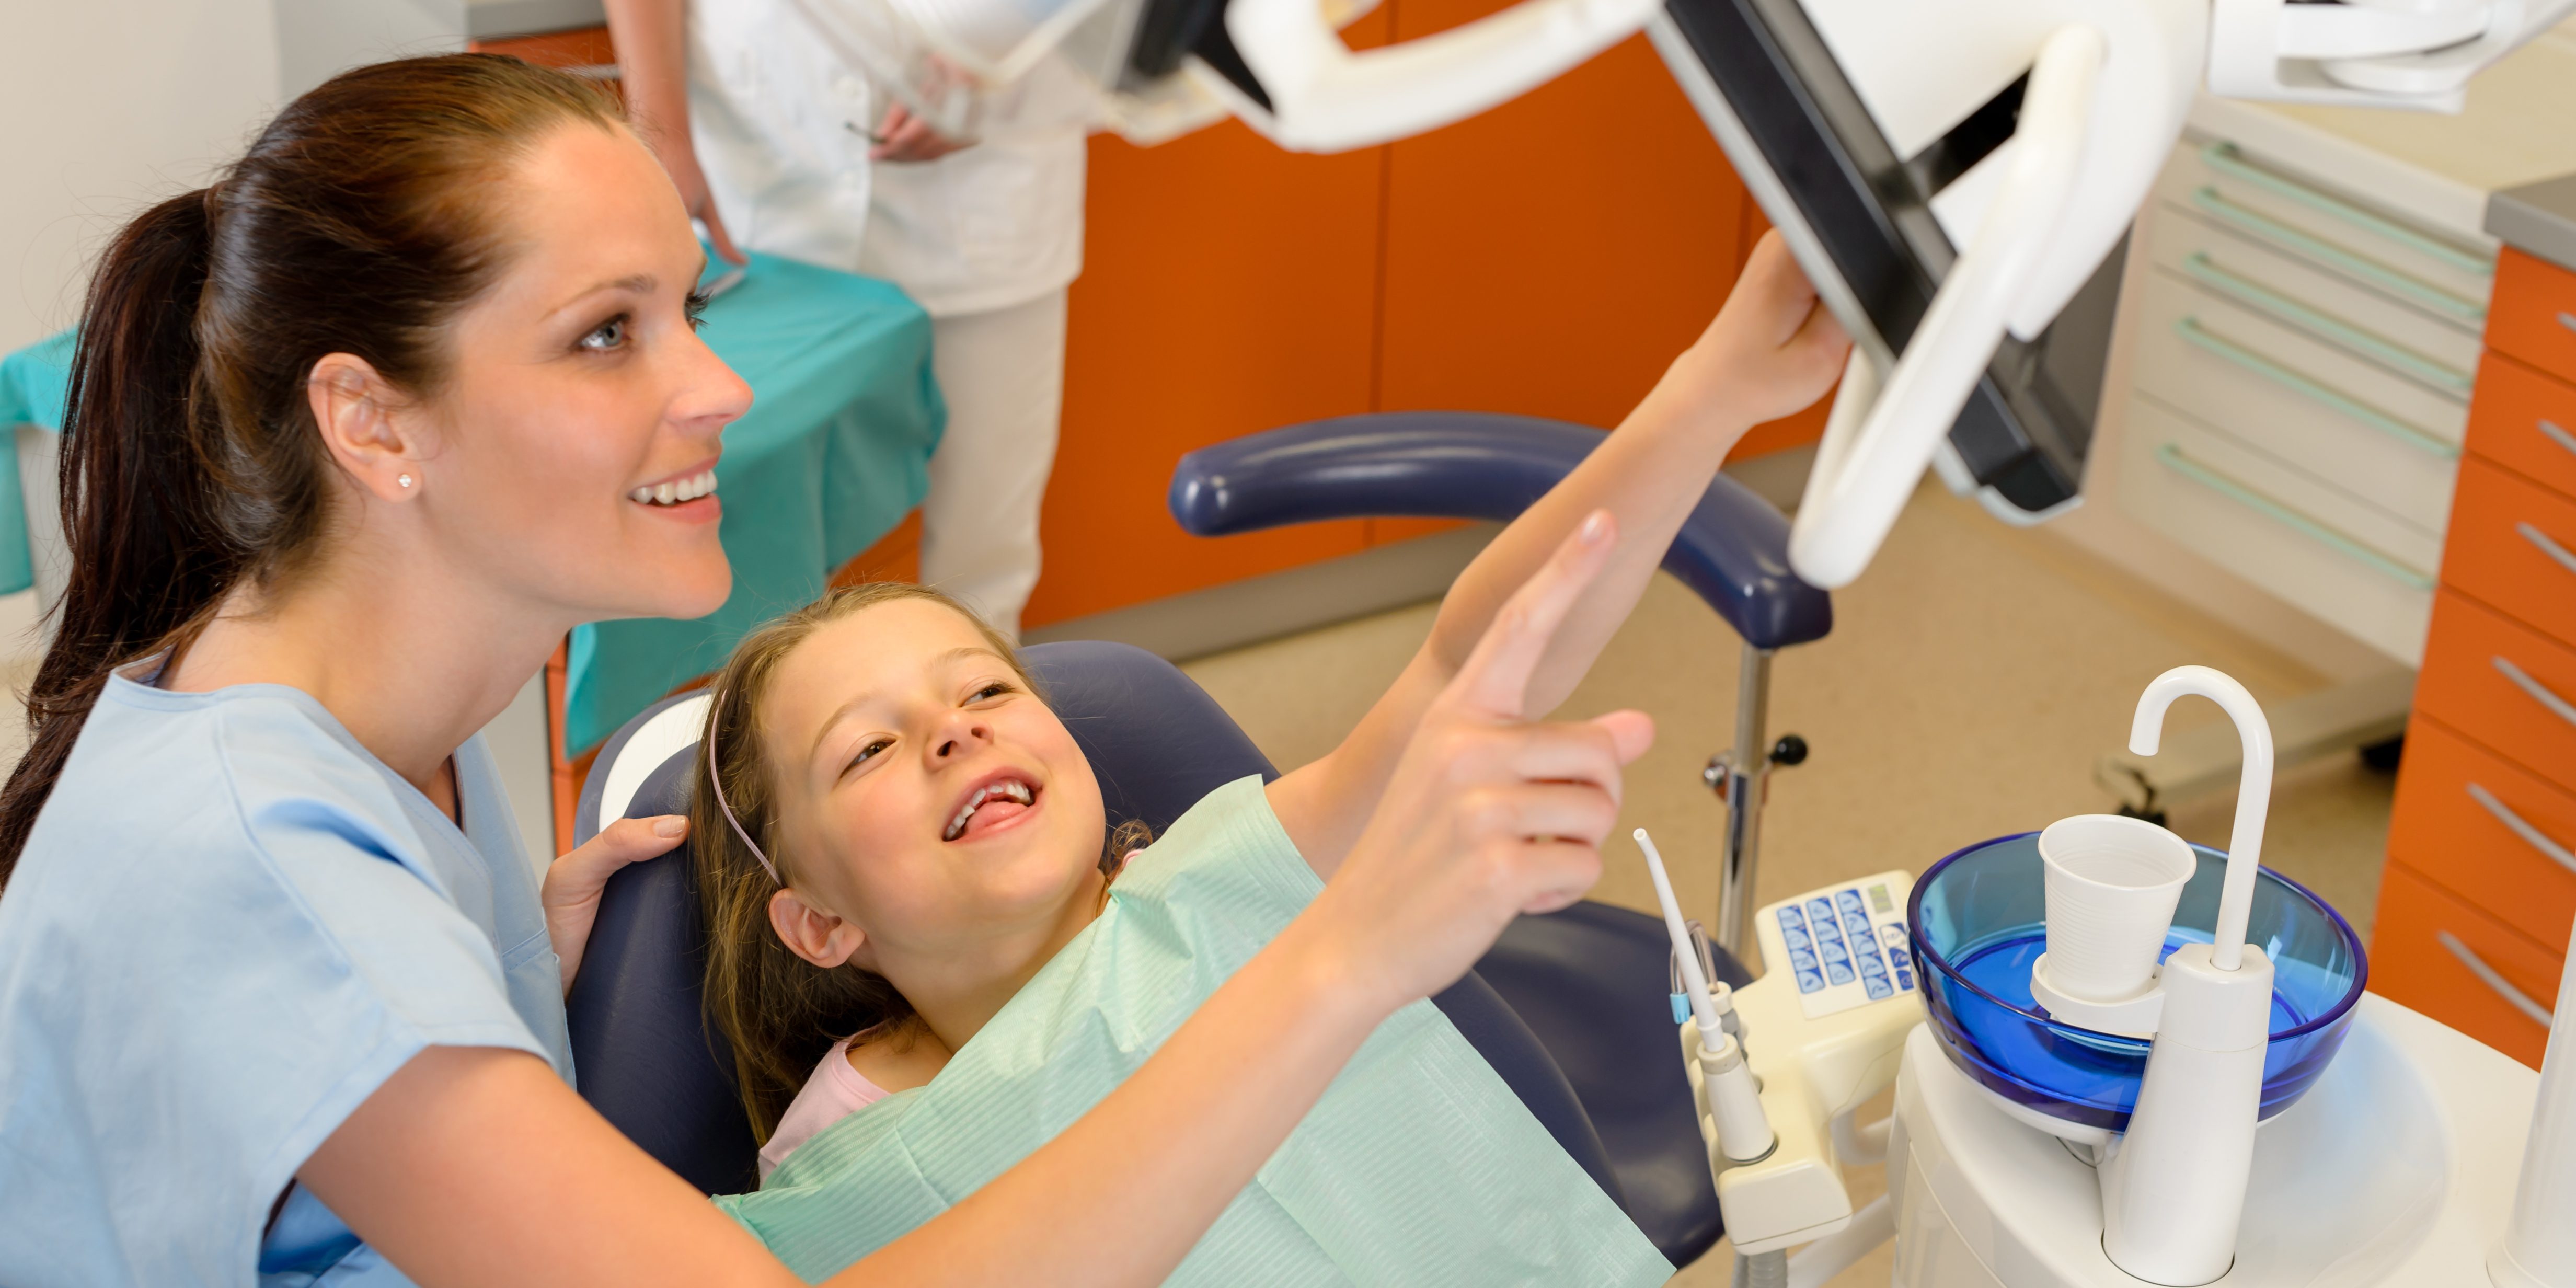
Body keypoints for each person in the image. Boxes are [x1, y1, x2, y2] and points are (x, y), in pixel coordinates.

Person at [0, 54, 1838, 1288]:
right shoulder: (269, 868)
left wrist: (1720, 387)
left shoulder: (418, 703)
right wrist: (1343, 957)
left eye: (685, 307)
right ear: (371, 422)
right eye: (604, 335)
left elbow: (1463, 653)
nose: (716, 387)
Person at [682, 233, 1849, 1283]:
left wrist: (1716, 386)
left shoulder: (1212, 889)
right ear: (818, 922)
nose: (955, 729)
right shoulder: (837, 1172)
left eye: (986, 688)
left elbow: (1459, 664)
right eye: (869, 748)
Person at [606, 0, 1094, 638]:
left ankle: (973, 694)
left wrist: (1006, 66)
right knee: (748, 546)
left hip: (985, 192)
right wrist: (662, 137)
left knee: (983, 548)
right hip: (760, 172)